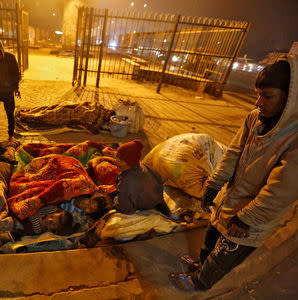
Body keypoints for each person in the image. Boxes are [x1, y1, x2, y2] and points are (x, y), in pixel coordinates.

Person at [169, 56, 297, 291]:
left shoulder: (294, 137)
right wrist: (214, 185)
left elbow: (281, 190)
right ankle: (200, 265)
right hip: (231, 201)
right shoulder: (255, 118)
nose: (258, 102)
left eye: (267, 96)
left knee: (225, 254)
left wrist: (248, 218)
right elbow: (234, 152)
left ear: (290, 98)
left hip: (252, 219)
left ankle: (200, 282)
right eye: (257, 94)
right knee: (212, 237)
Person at [113, 140, 166, 215]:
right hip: (158, 201)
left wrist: (115, 200)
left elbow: (125, 209)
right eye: (117, 157)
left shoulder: (126, 181)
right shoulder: (144, 166)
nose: (116, 162)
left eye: (121, 160)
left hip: (148, 210)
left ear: (130, 162)